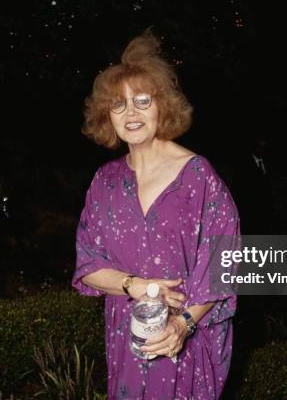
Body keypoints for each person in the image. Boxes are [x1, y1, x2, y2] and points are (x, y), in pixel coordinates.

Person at [72, 28, 240, 399]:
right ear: (107, 116)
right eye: (119, 104)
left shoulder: (199, 177)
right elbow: (88, 266)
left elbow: (222, 265)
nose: (130, 113)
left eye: (142, 101)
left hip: (184, 336)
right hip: (126, 335)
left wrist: (182, 325)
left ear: (162, 105)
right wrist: (136, 285)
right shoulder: (105, 181)